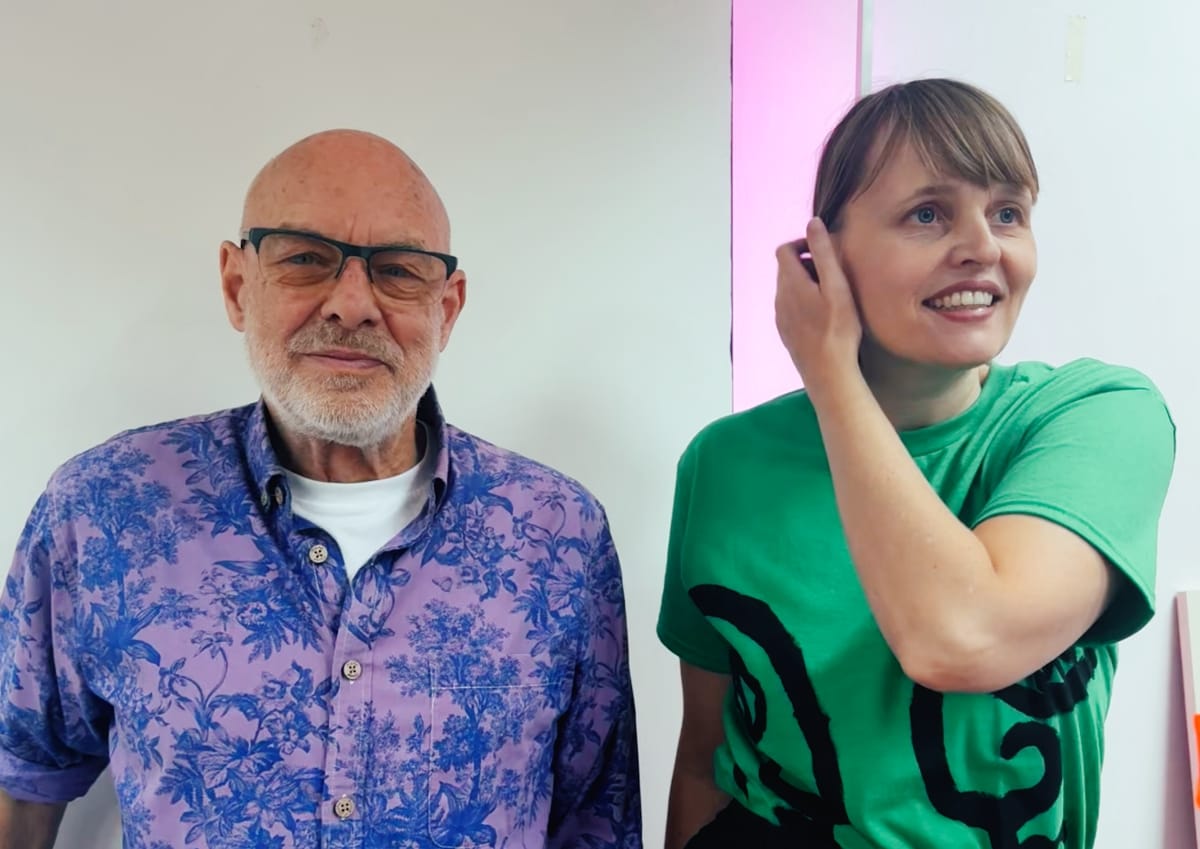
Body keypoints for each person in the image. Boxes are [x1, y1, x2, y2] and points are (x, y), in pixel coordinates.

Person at [0, 130, 641, 849]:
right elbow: (19, 778)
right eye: (306, 258)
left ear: (447, 308)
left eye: (398, 270)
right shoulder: (105, 509)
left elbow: (596, 822)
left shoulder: (557, 534)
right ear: (238, 286)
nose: (352, 304)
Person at [658, 78, 1175, 849]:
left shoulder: (1097, 416)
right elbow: (704, 753)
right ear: (820, 255)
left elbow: (960, 637)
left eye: (1008, 212)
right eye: (927, 214)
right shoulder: (723, 464)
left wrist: (828, 372)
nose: (983, 247)